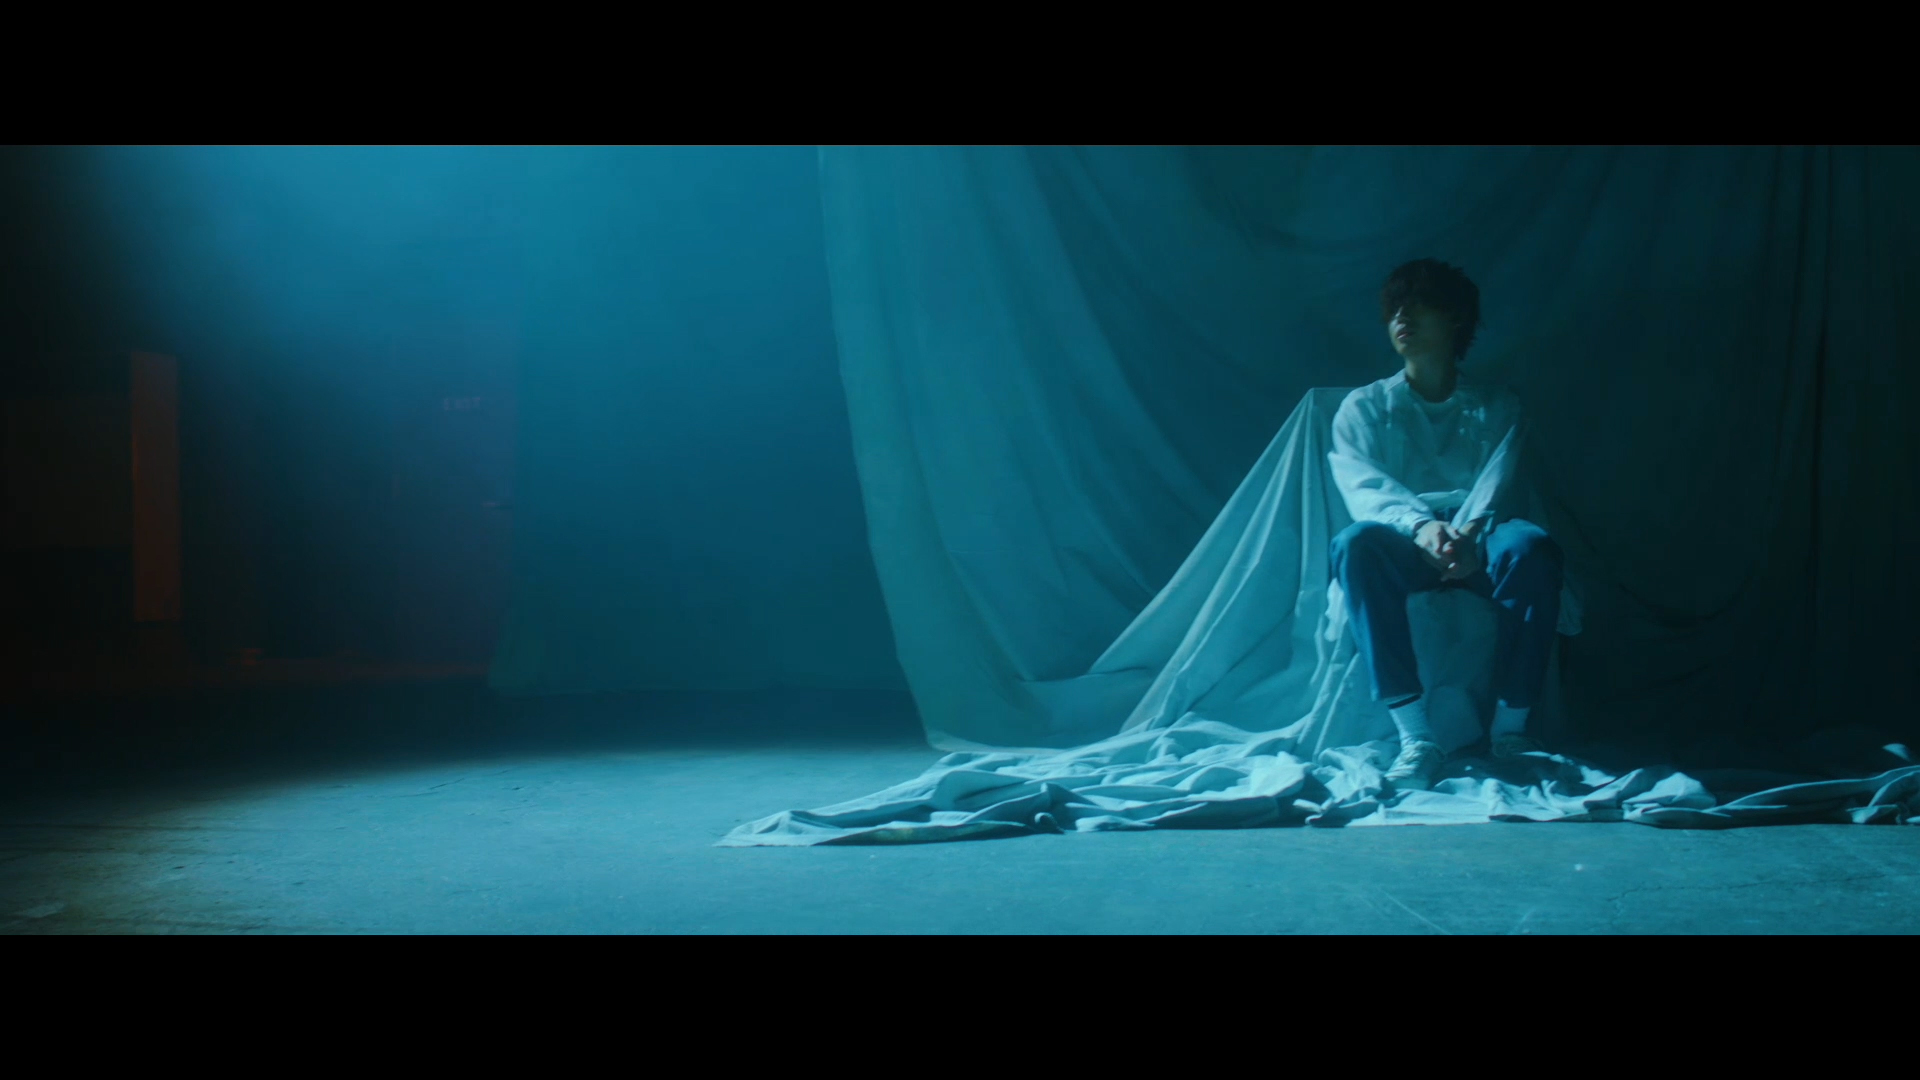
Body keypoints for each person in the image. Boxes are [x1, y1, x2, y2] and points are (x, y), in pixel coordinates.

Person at [1327, 259, 1563, 791]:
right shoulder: (1364, 407)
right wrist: (1419, 527)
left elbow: (1499, 479)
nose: (1403, 318)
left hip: (1480, 536)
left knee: (1532, 547)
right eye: (1395, 309)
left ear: (1456, 318)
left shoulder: (1498, 405)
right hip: (1403, 539)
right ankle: (1416, 736)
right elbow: (1364, 484)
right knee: (1355, 545)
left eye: (1420, 305)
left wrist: (1470, 533)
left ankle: (1511, 731)